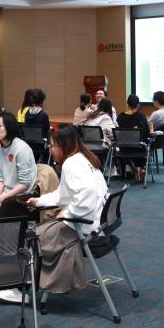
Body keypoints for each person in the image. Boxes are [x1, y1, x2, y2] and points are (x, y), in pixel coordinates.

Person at [21, 125, 108, 299]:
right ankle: (45, 281)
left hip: (83, 227)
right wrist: (40, 201)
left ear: (63, 145)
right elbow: (64, 194)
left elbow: (87, 193)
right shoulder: (84, 158)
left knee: (30, 237)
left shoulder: (71, 164)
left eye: (52, 146)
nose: (50, 150)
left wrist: (69, 213)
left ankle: (30, 283)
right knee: (43, 231)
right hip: (99, 224)